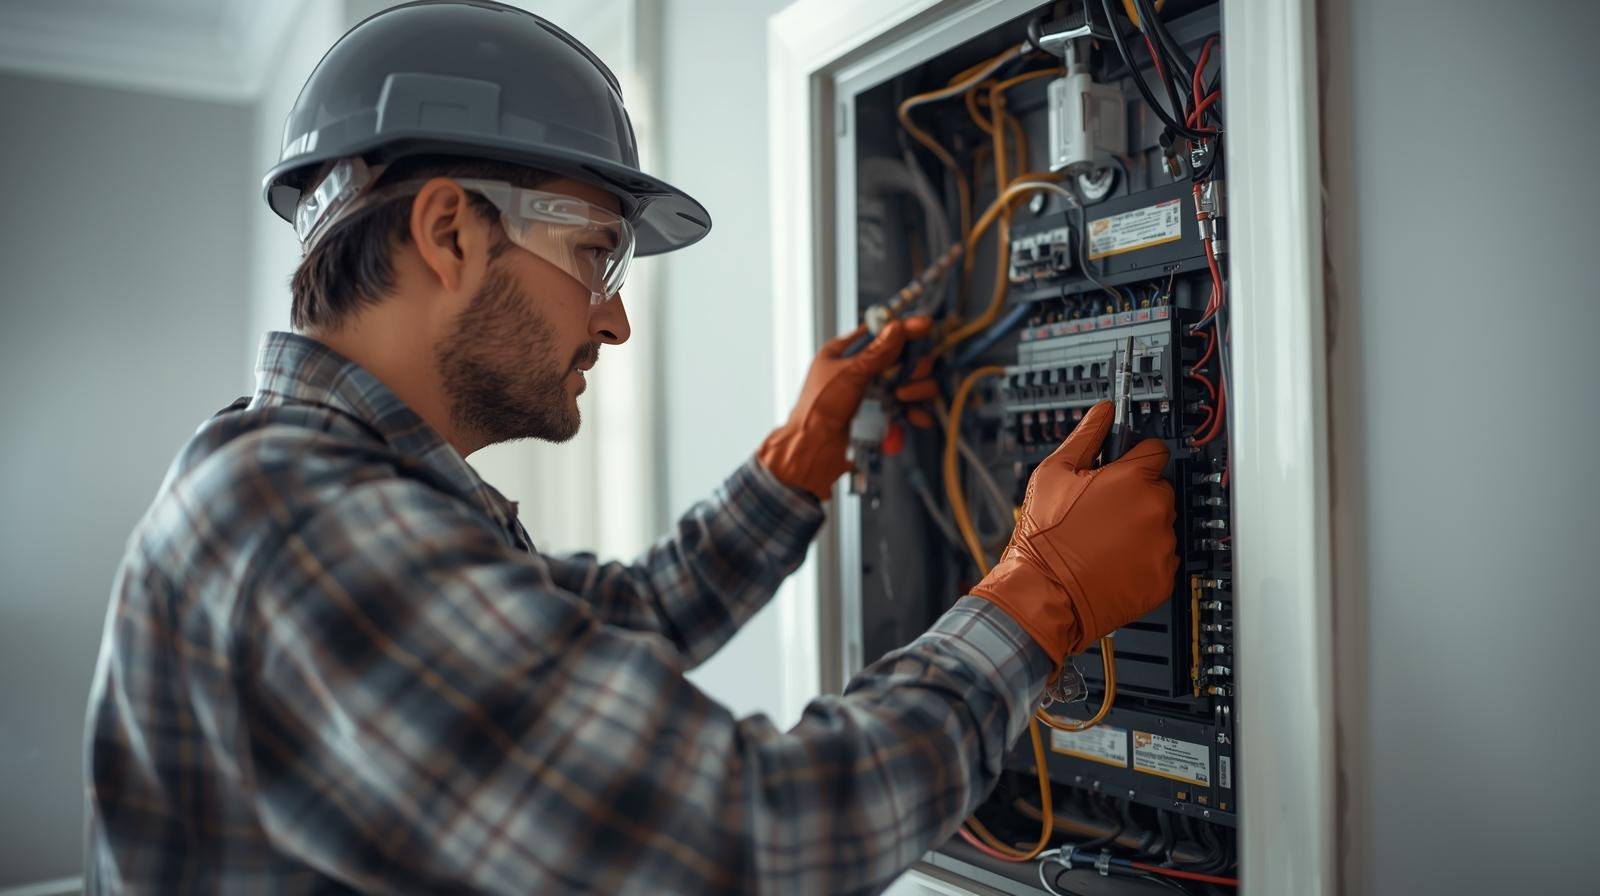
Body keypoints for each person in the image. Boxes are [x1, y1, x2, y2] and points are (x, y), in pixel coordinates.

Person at [84, 2, 1177, 893]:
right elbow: (751, 836)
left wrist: (796, 459)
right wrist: (1043, 597)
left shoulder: (312, 482)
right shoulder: (303, 521)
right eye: (596, 254)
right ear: (451, 232)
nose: (614, 320)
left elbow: (628, 619)